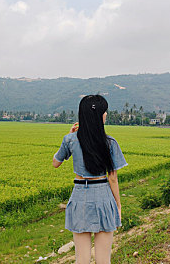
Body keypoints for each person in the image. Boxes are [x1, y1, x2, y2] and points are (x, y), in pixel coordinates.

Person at [52, 94, 128, 264]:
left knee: (82, 259)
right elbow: (113, 179)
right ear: (99, 115)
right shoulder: (110, 142)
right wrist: (118, 205)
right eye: (105, 111)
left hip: (80, 197)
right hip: (104, 197)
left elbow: (55, 163)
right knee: (103, 260)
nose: (106, 114)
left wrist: (68, 137)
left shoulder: (70, 140)